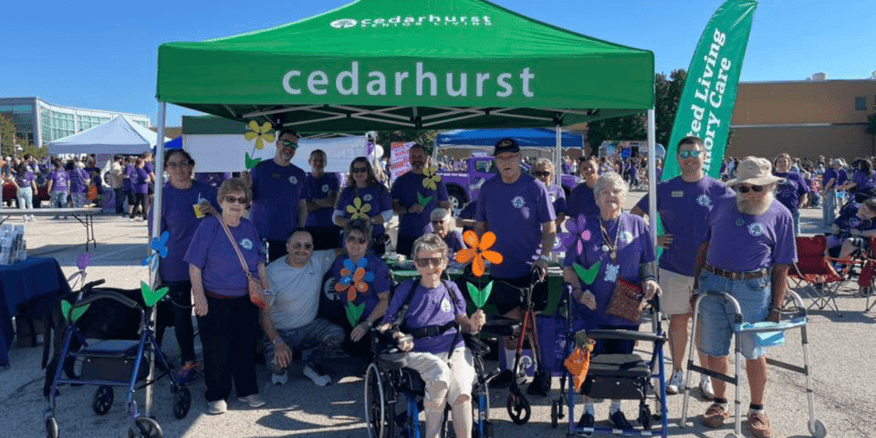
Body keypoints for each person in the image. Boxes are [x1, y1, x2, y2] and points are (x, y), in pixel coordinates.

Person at [693, 156, 796, 438]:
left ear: (770, 186)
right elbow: (703, 247)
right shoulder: (720, 205)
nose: (750, 193)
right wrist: (695, 287)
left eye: (757, 188)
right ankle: (720, 402)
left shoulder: (782, 215)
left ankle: (757, 410)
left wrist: (776, 307)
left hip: (753, 289)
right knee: (714, 350)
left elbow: (782, 266)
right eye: (743, 188)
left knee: (755, 352)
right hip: (713, 284)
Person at [630, 136, 734, 398]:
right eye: (684, 154)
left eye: (694, 153)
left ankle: (705, 375)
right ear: (677, 158)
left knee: (705, 325)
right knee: (678, 322)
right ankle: (677, 371)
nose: (689, 158)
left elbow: (738, 220)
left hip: (709, 271)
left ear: (704, 155)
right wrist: (653, 239)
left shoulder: (720, 190)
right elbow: (634, 216)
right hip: (673, 267)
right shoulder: (664, 189)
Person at [562, 172, 659, 433]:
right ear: (596, 199)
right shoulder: (584, 227)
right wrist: (579, 292)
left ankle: (616, 410)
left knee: (620, 363)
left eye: (616, 191)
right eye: (604, 192)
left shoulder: (637, 225)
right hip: (589, 309)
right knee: (587, 361)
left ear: (624, 197)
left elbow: (647, 263)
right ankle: (588, 411)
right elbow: (569, 268)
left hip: (624, 308)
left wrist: (650, 280)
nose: (611, 196)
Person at [380, 233, 486, 438]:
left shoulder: (451, 288)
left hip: (455, 349)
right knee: (439, 374)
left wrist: (473, 325)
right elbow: (387, 324)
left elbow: (463, 322)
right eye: (423, 262)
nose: (430, 267)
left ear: (445, 263)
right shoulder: (406, 290)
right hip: (418, 352)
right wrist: (398, 336)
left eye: (436, 261)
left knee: (462, 392)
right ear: (416, 264)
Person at [475, 138, 556, 388]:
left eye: (511, 157)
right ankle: (512, 370)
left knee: (532, 324)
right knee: (509, 324)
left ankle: (542, 372)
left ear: (520, 158)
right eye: (501, 158)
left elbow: (550, 227)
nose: (506, 162)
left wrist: (544, 258)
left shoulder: (535, 187)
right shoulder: (488, 189)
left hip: (531, 269)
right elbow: (480, 225)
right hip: (501, 268)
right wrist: (481, 252)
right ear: (495, 162)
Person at [185, 178, 268, 414]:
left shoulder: (249, 227)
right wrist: (199, 297)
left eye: (242, 200)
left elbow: (259, 263)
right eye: (231, 199)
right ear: (221, 201)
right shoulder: (209, 226)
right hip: (215, 300)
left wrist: (266, 290)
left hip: (245, 300)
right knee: (216, 350)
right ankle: (217, 394)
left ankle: (247, 390)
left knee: (245, 347)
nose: (236, 204)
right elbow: (194, 265)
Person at [148, 150, 219, 385]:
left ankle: (214, 360)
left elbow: (229, 224)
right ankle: (188, 362)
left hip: (208, 266)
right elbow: (154, 237)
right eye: (173, 164)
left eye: (183, 163)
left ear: (191, 166)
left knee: (209, 315)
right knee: (182, 319)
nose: (178, 168)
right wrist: (155, 272)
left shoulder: (208, 192)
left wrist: (215, 212)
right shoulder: (162, 197)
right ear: (166, 168)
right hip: (174, 266)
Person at [261, 229, 346, 387]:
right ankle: (283, 364)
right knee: (276, 366)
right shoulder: (272, 272)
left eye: (307, 246)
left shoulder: (319, 259)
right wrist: (277, 342)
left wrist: (361, 246)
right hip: (281, 331)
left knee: (336, 334)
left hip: (310, 327)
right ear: (288, 247)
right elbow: (263, 314)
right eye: (297, 245)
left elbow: (341, 251)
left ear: (312, 249)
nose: (302, 250)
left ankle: (313, 365)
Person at [330, 220, 391, 358]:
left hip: (372, 321)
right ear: (345, 242)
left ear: (367, 244)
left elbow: (386, 300)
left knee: (365, 354)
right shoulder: (338, 263)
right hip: (350, 318)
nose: (356, 243)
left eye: (361, 240)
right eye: (351, 239)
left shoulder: (376, 266)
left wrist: (367, 323)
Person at [247, 128, 309, 262]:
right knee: (259, 273)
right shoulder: (259, 168)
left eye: (293, 145)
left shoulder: (300, 174)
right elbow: (247, 199)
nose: (289, 148)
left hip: (287, 239)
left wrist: (300, 230)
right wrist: (245, 186)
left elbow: (302, 205)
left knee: (283, 274)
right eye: (286, 143)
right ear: (277, 143)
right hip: (259, 236)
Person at [391, 144, 451, 257]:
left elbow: (446, 206)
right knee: (404, 267)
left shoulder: (436, 180)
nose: (417, 159)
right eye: (413, 156)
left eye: (420, 156)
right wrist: (409, 209)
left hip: (431, 236)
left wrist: (445, 227)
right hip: (406, 235)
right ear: (409, 158)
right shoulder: (400, 181)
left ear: (426, 158)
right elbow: (394, 207)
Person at [334, 157, 393, 255]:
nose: (359, 173)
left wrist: (371, 221)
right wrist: (348, 222)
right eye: (355, 170)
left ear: (368, 171)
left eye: (363, 170)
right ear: (352, 172)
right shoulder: (346, 192)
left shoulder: (380, 190)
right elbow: (335, 217)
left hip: (374, 240)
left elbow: (388, 214)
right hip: (349, 241)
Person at [303, 149, 341, 250]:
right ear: (309, 161)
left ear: (326, 163)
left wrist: (313, 200)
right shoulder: (304, 181)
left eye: (321, 160)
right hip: (310, 227)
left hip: (331, 227)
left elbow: (332, 202)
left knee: (332, 257)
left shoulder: (332, 179)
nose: (318, 163)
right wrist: (324, 201)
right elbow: (305, 207)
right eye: (315, 160)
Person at [772, 153, 810, 235]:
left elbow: (804, 192)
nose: (782, 163)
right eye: (779, 161)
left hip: (792, 211)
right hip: (775, 213)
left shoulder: (796, 176)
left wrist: (799, 205)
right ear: (775, 164)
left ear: (789, 163)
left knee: (794, 236)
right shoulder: (772, 177)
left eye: (785, 161)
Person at [533, 158, 567, 229]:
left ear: (551, 174)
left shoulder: (558, 190)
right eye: (538, 173)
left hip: (553, 230)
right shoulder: (529, 190)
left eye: (545, 173)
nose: (542, 176)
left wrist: (550, 228)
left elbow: (562, 214)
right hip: (534, 230)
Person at [567, 155, 600, 221]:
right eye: (584, 168)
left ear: (597, 166)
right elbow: (572, 216)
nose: (589, 170)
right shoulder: (577, 192)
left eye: (591, 166)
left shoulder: (607, 187)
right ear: (581, 172)